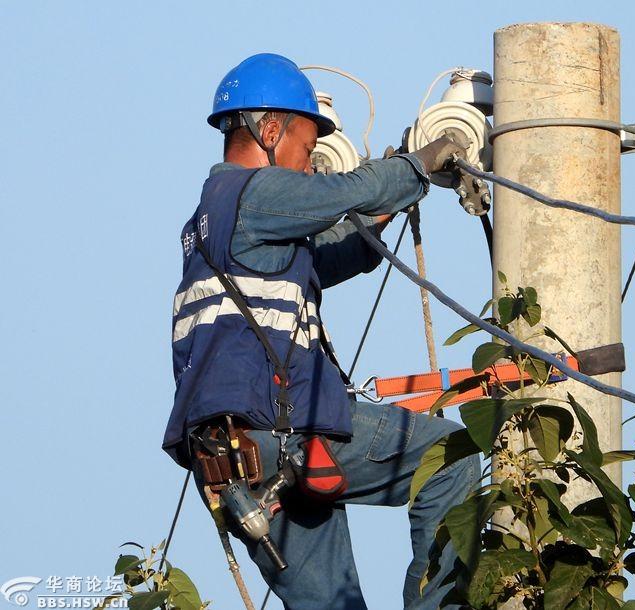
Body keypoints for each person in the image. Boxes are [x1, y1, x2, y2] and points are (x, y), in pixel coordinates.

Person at [161, 53, 478, 609]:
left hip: (236, 465)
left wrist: (385, 209)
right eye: (308, 151)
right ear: (270, 128)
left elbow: (326, 259)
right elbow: (344, 194)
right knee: (451, 458)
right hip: (283, 430)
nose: (310, 168)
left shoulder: (212, 224)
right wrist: (417, 165)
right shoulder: (253, 192)